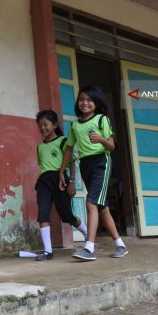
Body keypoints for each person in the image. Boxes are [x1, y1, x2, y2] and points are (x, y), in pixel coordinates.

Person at [58, 86, 128, 261]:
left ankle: (89, 248)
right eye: (82, 99)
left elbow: (112, 146)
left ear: (96, 103)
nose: (85, 103)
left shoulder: (101, 119)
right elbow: (68, 149)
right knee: (101, 206)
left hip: (101, 163)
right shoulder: (75, 124)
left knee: (91, 202)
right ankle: (120, 245)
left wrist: (101, 139)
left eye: (89, 100)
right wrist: (62, 171)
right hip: (85, 165)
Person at [34, 110, 88, 261]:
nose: (42, 128)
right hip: (44, 182)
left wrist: (71, 183)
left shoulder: (63, 141)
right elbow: (42, 165)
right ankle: (48, 251)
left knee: (66, 215)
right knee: (43, 213)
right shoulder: (39, 147)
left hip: (60, 180)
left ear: (54, 125)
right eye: (39, 126)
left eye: (45, 124)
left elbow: (71, 162)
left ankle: (87, 235)